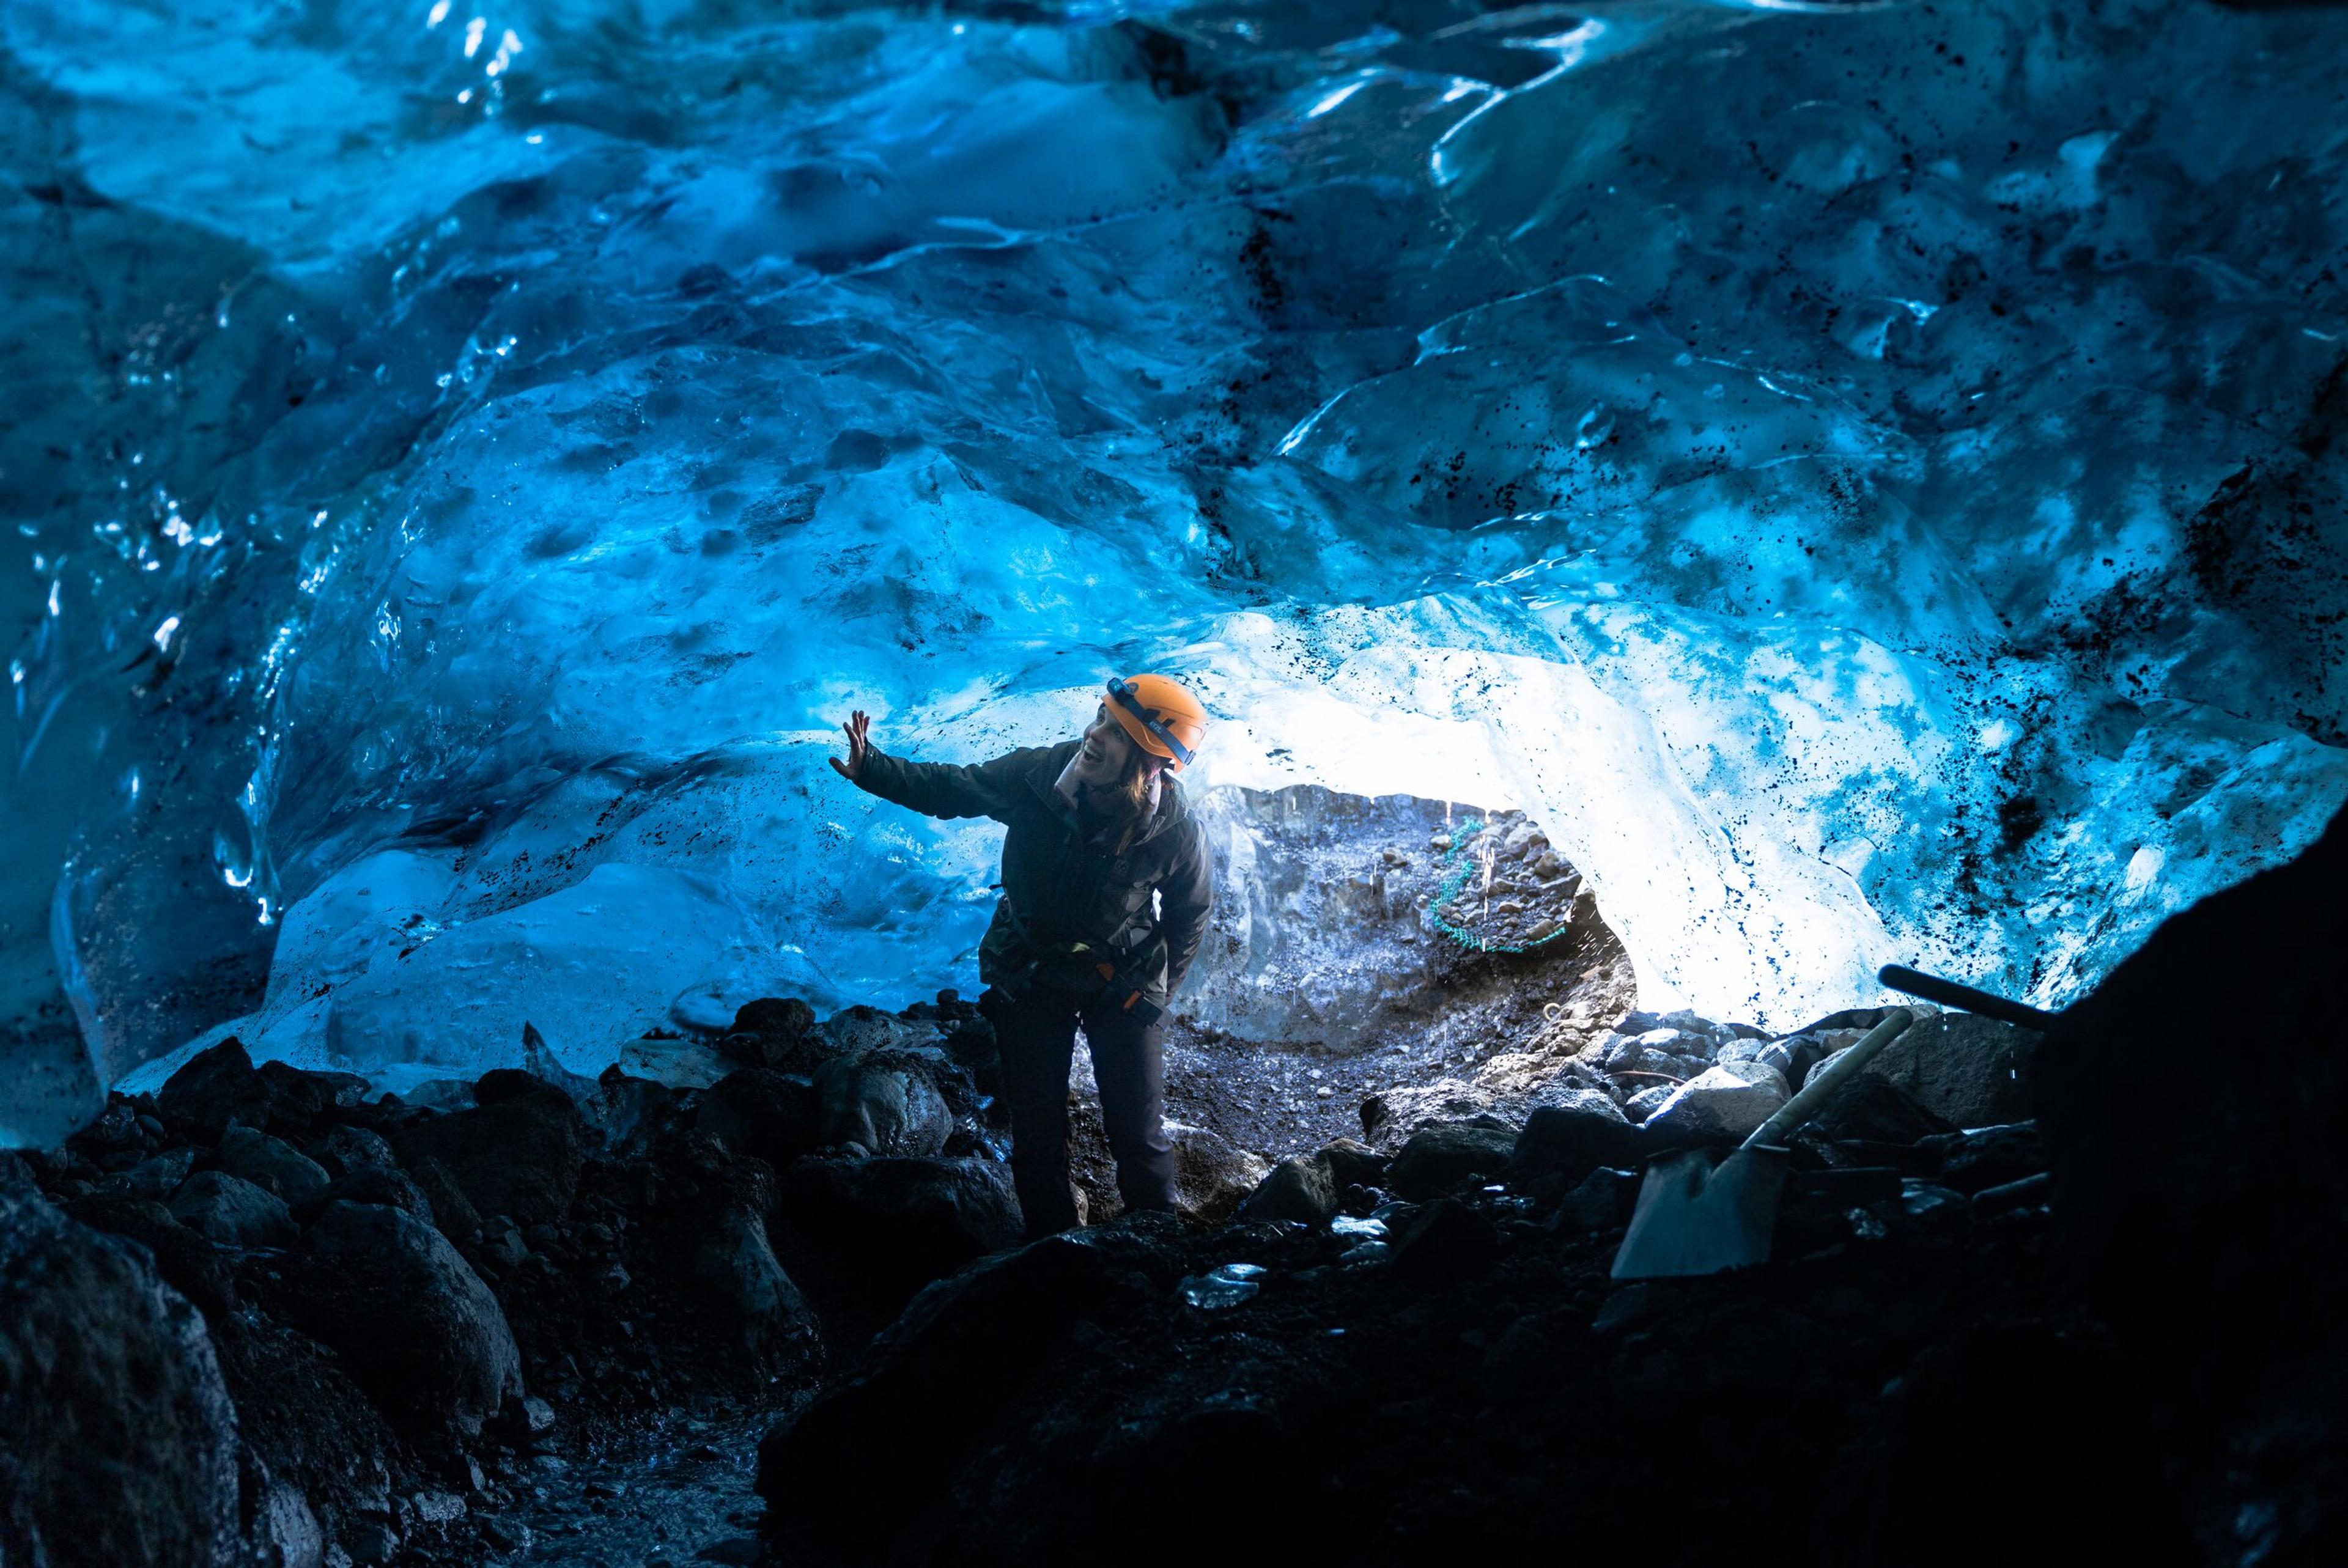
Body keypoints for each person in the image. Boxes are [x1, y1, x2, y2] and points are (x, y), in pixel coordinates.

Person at [830, 676, 1214, 1238]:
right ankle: (1051, 1252)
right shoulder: (1037, 775)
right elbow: (956, 788)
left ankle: (1157, 1250)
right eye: (1101, 717)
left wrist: (1154, 998)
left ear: (1149, 764)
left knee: (1138, 1134)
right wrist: (874, 769)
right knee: (1037, 1135)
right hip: (1029, 970)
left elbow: (1191, 910)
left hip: (1121, 980)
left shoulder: (1173, 825)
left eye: (1116, 731)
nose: (1095, 734)